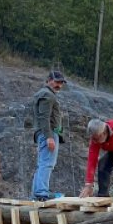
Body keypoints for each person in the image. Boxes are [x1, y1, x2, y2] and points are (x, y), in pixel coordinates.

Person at [31, 70, 67, 201]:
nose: (59, 85)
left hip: (44, 133)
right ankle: (41, 193)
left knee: (42, 163)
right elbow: (44, 117)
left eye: (61, 83)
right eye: (57, 82)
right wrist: (49, 137)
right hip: (49, 132)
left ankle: (36, 193)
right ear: (49, 80)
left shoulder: (44, 94)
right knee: (47, 164)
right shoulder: (48, 95)